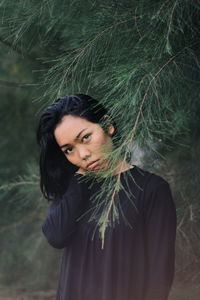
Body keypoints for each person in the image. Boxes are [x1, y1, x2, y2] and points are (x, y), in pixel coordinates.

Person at [37, 94, 177, 300]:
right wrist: (79, 180)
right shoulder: (73, 188)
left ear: (107, 125)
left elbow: (160, 273)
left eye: (85, 137)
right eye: (69, 149)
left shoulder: (151, 189)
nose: (82, 154)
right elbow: (57, 236)